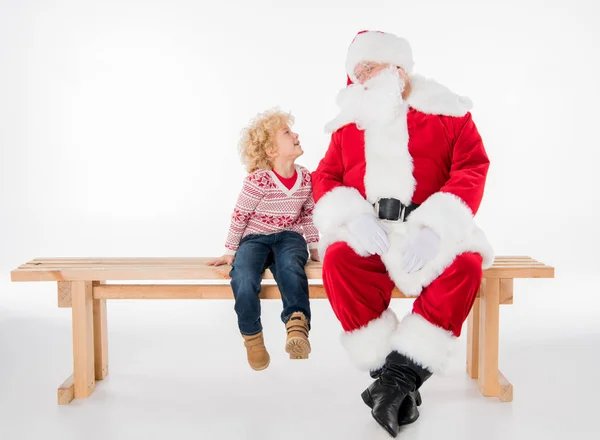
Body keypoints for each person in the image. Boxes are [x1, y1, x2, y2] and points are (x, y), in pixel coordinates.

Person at [311, 30, 494, 437]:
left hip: (430, 228)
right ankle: (396, 381)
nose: (359, 78)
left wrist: (435, 226)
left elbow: (472, 167)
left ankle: (392, 384)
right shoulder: (350, 123)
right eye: (354, 71)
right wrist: (353, 216)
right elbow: (326, 176)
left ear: (397, 67)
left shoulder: (449, 112)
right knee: (340, 261)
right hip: (372, 230)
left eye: (368, 68)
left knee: (465, 266)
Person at [208, 108, 320, 371]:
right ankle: (252, 337)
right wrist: (229, 250)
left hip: (289, 237)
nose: (296, 134)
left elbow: (308, 215)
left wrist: (314, 247)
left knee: (291, 266)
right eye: (287, 132)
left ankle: (297, 326)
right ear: (271, 150)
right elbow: (240, 216)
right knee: (244, 277)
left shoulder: (305, 177)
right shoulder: (258, 180)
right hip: (255, 239)